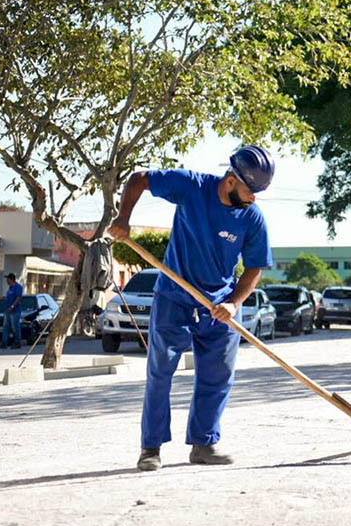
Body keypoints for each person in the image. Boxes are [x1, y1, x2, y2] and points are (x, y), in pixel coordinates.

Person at [108, 145, 274, 472]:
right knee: (160, 372)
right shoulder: (191, 186)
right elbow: (138, 179)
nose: (253, 198)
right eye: (249, 190)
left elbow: (254, 268)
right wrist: (123, 219)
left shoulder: (252, 218)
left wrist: (233, 303)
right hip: (174, 296)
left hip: (220, 305)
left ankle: (204, 444)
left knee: (217, 376)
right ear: (230, 180)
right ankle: (150, 448)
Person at [0, 273, 23, 348]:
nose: (7, 281)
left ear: (11, 279)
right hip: (7, 310)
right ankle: (4, 343)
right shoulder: (10, 288)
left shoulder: (17, 287)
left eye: (7, 279)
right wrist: (2, 299)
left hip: (15, 311)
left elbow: (18, 297)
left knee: (15, 327)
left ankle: (17, 343)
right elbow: (8, 298)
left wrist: (12, 306)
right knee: (6, 327)